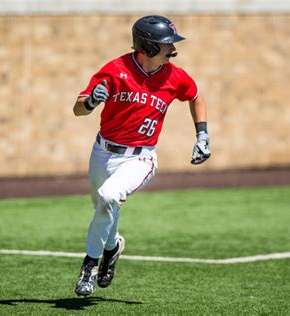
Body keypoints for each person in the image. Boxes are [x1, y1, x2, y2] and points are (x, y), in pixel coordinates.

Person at [72, 15, 211, 296]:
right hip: (102, 152)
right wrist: (90, 101)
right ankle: (112, 247)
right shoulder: (114, 70)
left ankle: (89, 266)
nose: (173, 49)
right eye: (166, 44)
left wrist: (202, 135)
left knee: (109, 197)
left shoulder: (175, 76)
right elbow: (78, 109)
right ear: (147, 46)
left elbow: (195, 96)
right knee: (103, 208)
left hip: (140, 157)